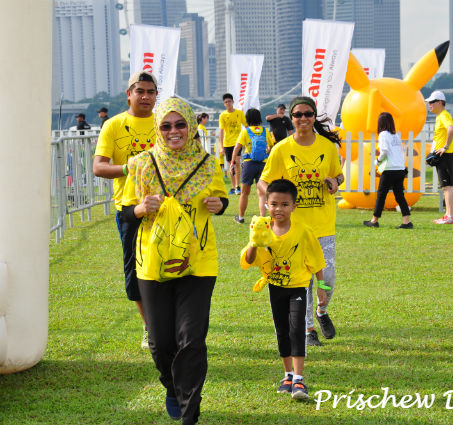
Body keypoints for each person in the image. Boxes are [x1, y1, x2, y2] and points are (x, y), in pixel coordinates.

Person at [121, 97, 228, 425]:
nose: (173, 131)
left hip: (198, 261)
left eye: (180, 124)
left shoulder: (208, 164)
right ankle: (172, 385)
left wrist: (219, 205)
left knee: (191, 339)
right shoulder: (141, 164)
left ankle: (189, 413)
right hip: (154, 262)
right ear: (157, 129)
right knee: (160, 342)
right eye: (166, 126)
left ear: (192, 127)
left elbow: (222, 197)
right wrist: (142, 208)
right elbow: (125, 212)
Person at [257, 96, 344, 347]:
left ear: (314, 117)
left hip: (323, 225)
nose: (303, 118)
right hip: (293, 228)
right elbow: (263, 181)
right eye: (297, 114)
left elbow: (338, 175)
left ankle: (322, 311)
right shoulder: (281, 149)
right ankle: (308, 329)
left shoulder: (328, 147)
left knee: (326, 279)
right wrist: (274, 200)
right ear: (291, 118)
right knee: (302, 280)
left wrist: (335, 182)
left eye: (308, 114)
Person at [241, 179, 326, 400]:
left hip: (298, 287)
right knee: (282, 330)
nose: (279, 209)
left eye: (285, 204)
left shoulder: (303, 231)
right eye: (274, 204)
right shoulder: (262, 228)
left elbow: (317, 260)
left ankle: (299, 379)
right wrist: (254, 242)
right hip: (275, 287)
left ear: (294, 206)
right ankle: (287, 375)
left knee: (296, 329)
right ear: (266, 204)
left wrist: (321, 288)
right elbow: (249, 260)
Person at [93, 70, 158, 349]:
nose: (145, 97)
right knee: (135, 270)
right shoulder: (113, 125)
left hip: (166, 207)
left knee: (170, 266)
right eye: (139, 91)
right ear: (129, 94)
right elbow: (98, 167)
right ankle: (150, 326)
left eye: (150, 92)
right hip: (130, 208)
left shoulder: (165, 122)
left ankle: (166, 322)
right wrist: (128, 167)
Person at [363, 112, 413, 229]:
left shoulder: (383, 134)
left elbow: (384, 151)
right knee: (399, 196)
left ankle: (374, 220)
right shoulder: (396, 136)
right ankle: (406, 221)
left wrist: (377, 161)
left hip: (389, 169)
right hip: (400, 168)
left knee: (381, 195)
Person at [231, 108, 275, 223]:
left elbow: (237, 147)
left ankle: (241, 217)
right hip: (263, 164)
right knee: (261, 193)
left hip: (249, 163)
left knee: (245, 193)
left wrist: (232, 161)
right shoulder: (265, 131)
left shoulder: (245, 131)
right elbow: (271, 146)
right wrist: (266, 153)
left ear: (247, 119)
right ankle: (262, 218)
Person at [426, 90, 453, 224]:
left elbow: (451, 129)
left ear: (439, 102)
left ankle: (451, 216)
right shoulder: (440, 116)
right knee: (446, 187)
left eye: (432, 102)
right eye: (429, 102)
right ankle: (449, 215)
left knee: (447, 187)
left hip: (444, 155)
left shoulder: (444, 115)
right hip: (442, 155)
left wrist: (445, 147)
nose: (429, 104)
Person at [219, 93, 247, 194]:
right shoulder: (222, 115)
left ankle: (238, 186)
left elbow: (246, 126)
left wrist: (250, 138)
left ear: (233, 102)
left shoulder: (239, 113)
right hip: (227, 143)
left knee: (237, 163)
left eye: (229, 101)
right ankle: (233, 186)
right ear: (224, 104)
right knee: (231, 164)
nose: (228, 103)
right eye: (226, 102)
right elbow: (221, 131)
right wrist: (221, 147)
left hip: (238, 142)